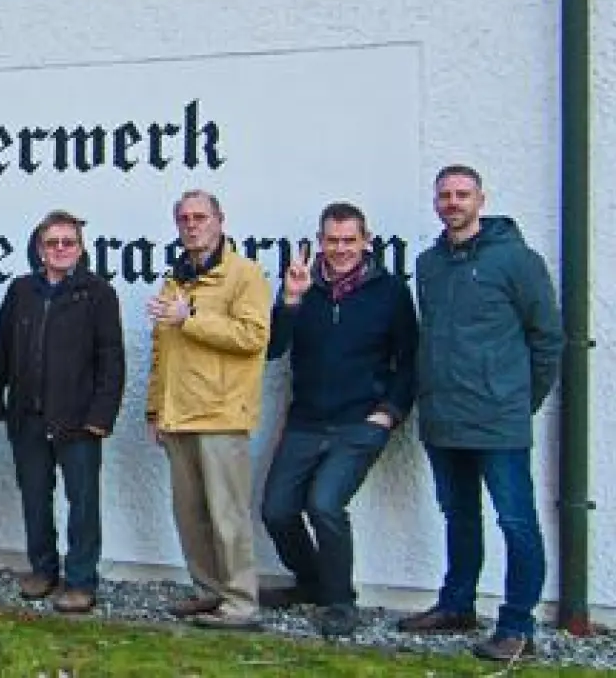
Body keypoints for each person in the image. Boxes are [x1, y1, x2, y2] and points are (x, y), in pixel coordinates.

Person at [396, 166, 564, 663]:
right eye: (445, 195)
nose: (453, 202)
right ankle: (457, 605)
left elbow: (547, 338)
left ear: (481, 200)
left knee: (515, 521)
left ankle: (517, 624)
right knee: (459, 516)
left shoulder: (517, 261)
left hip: (498, 420)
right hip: (445, 417)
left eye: (462, 194)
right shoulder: (429, 264)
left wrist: (517, 398)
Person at [259, 202, 418, 638]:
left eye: (350, 240)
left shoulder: (389, 291)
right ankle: (311, 582)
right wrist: (290, 300)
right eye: (333, 240)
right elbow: (273, 349)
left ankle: (340, 601)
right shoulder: (303, 286)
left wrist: (388, 413)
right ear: (320, 240)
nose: (341, 249)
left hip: (358, 423)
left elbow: (409, 359)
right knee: (276, 511)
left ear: (366, 241)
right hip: (306, 421)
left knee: (325, 505)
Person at [0, 210, 124, 615]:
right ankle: (43, 570)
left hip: (78, 418)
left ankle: (80, 581)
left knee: (82, 502)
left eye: (69, 242)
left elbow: (110, 360)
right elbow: (1, 348)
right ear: (40, 249)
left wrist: (102, 415)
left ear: (80, 248)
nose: (61, 249)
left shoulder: (97, 293)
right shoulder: (21, 290)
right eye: (52, 243)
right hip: (28, 414)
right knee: (34, 496)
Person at [146, 190, 271, 631]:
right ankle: (208, 592)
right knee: (190, 513)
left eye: (200, 217)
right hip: (177, 414)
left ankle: (240, 602)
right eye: (184, 218)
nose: (192, 225)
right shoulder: (175, 279)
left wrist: (190, 318)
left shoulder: (244, 275)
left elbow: (254, 337)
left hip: (221, 414)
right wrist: (153, 409)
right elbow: (163, 349)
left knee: (226, 515)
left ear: (220, 220)